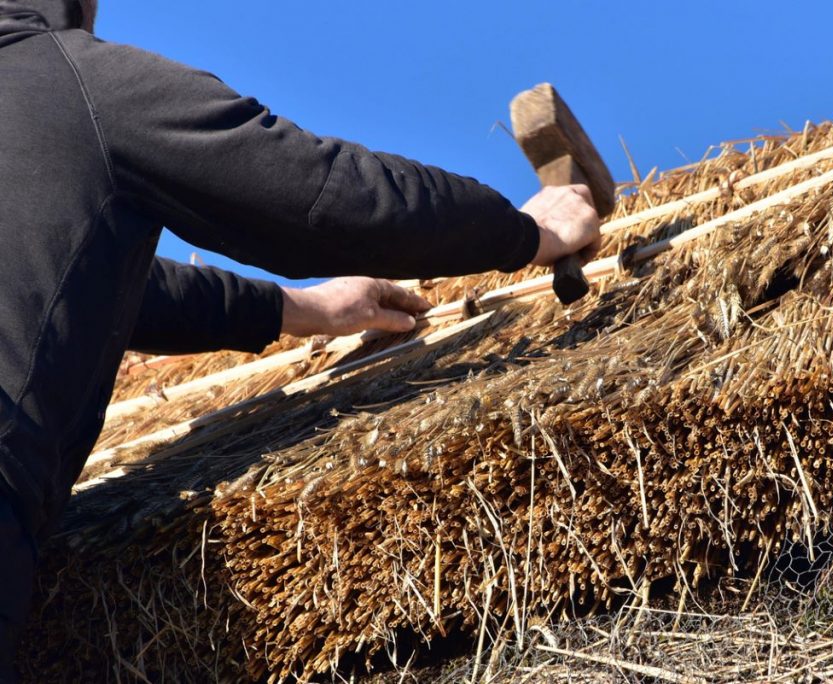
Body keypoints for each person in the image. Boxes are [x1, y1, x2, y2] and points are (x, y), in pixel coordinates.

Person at [0, 0, 601, 677]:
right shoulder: (73, 81)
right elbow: (320, 195)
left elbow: (77, 276)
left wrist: (298, 309)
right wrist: (525, 234)